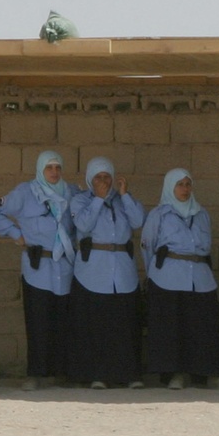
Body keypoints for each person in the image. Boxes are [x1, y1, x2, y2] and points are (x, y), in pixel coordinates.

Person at [0, 150, 77, 390]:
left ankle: (60, 372)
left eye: (58, 168)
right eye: (49, 168)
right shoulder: (26, 192)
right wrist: (16, 235)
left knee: (63, 320)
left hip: (65, 266)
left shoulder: (71, 192)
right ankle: (35, 373)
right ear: (40, 170)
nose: (54, 173)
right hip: (38, 267)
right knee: (38, 320)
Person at [140, 168, 219, 390]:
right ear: (170, 187)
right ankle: (174, 374)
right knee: (171, 327)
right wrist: (155, 273)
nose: (185, 189)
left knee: (203, 326)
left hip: (200, 278)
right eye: (180, 185)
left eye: (187, 184)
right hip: (167, 278)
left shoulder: (201, 214)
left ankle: (205, 374)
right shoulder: (159, 214)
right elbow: (147, 246)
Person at [68, 156, 146, 388]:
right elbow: (82, 225)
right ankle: (97, 375)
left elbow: (138, 220)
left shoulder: (123, 200)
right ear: (90, 180)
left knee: (124, 323)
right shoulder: (80, 201)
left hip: (122, 271)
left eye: (107, 177)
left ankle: (129, 375)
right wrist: (98, 200)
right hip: (93, 271)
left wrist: (124, 195)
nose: (103, 181)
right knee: (96, 324)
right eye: (98, 177)